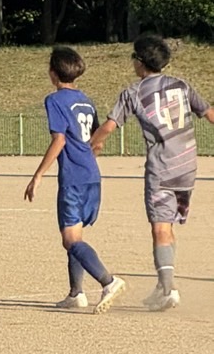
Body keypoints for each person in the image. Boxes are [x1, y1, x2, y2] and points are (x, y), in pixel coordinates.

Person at [90, 34, 214, 311]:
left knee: (159, 226)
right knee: (168, 225)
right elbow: (209, 113)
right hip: (187, 166)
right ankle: (164, 284)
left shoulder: (133, 92)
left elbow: (109, 126)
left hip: (162, 168)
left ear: (139, 61)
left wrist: (91, 146)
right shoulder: (181, 85)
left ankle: (168, 290)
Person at [24, 46, 125, 313]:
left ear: (52, 73)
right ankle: (76, 293)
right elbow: (97, 142)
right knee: (76, 235)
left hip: (73, 179)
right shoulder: (86, 100)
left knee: (70, 240)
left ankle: (109, 281)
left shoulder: (54, 100)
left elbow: (59, 139)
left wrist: (38, 175)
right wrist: (87, 160)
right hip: (92, 175)